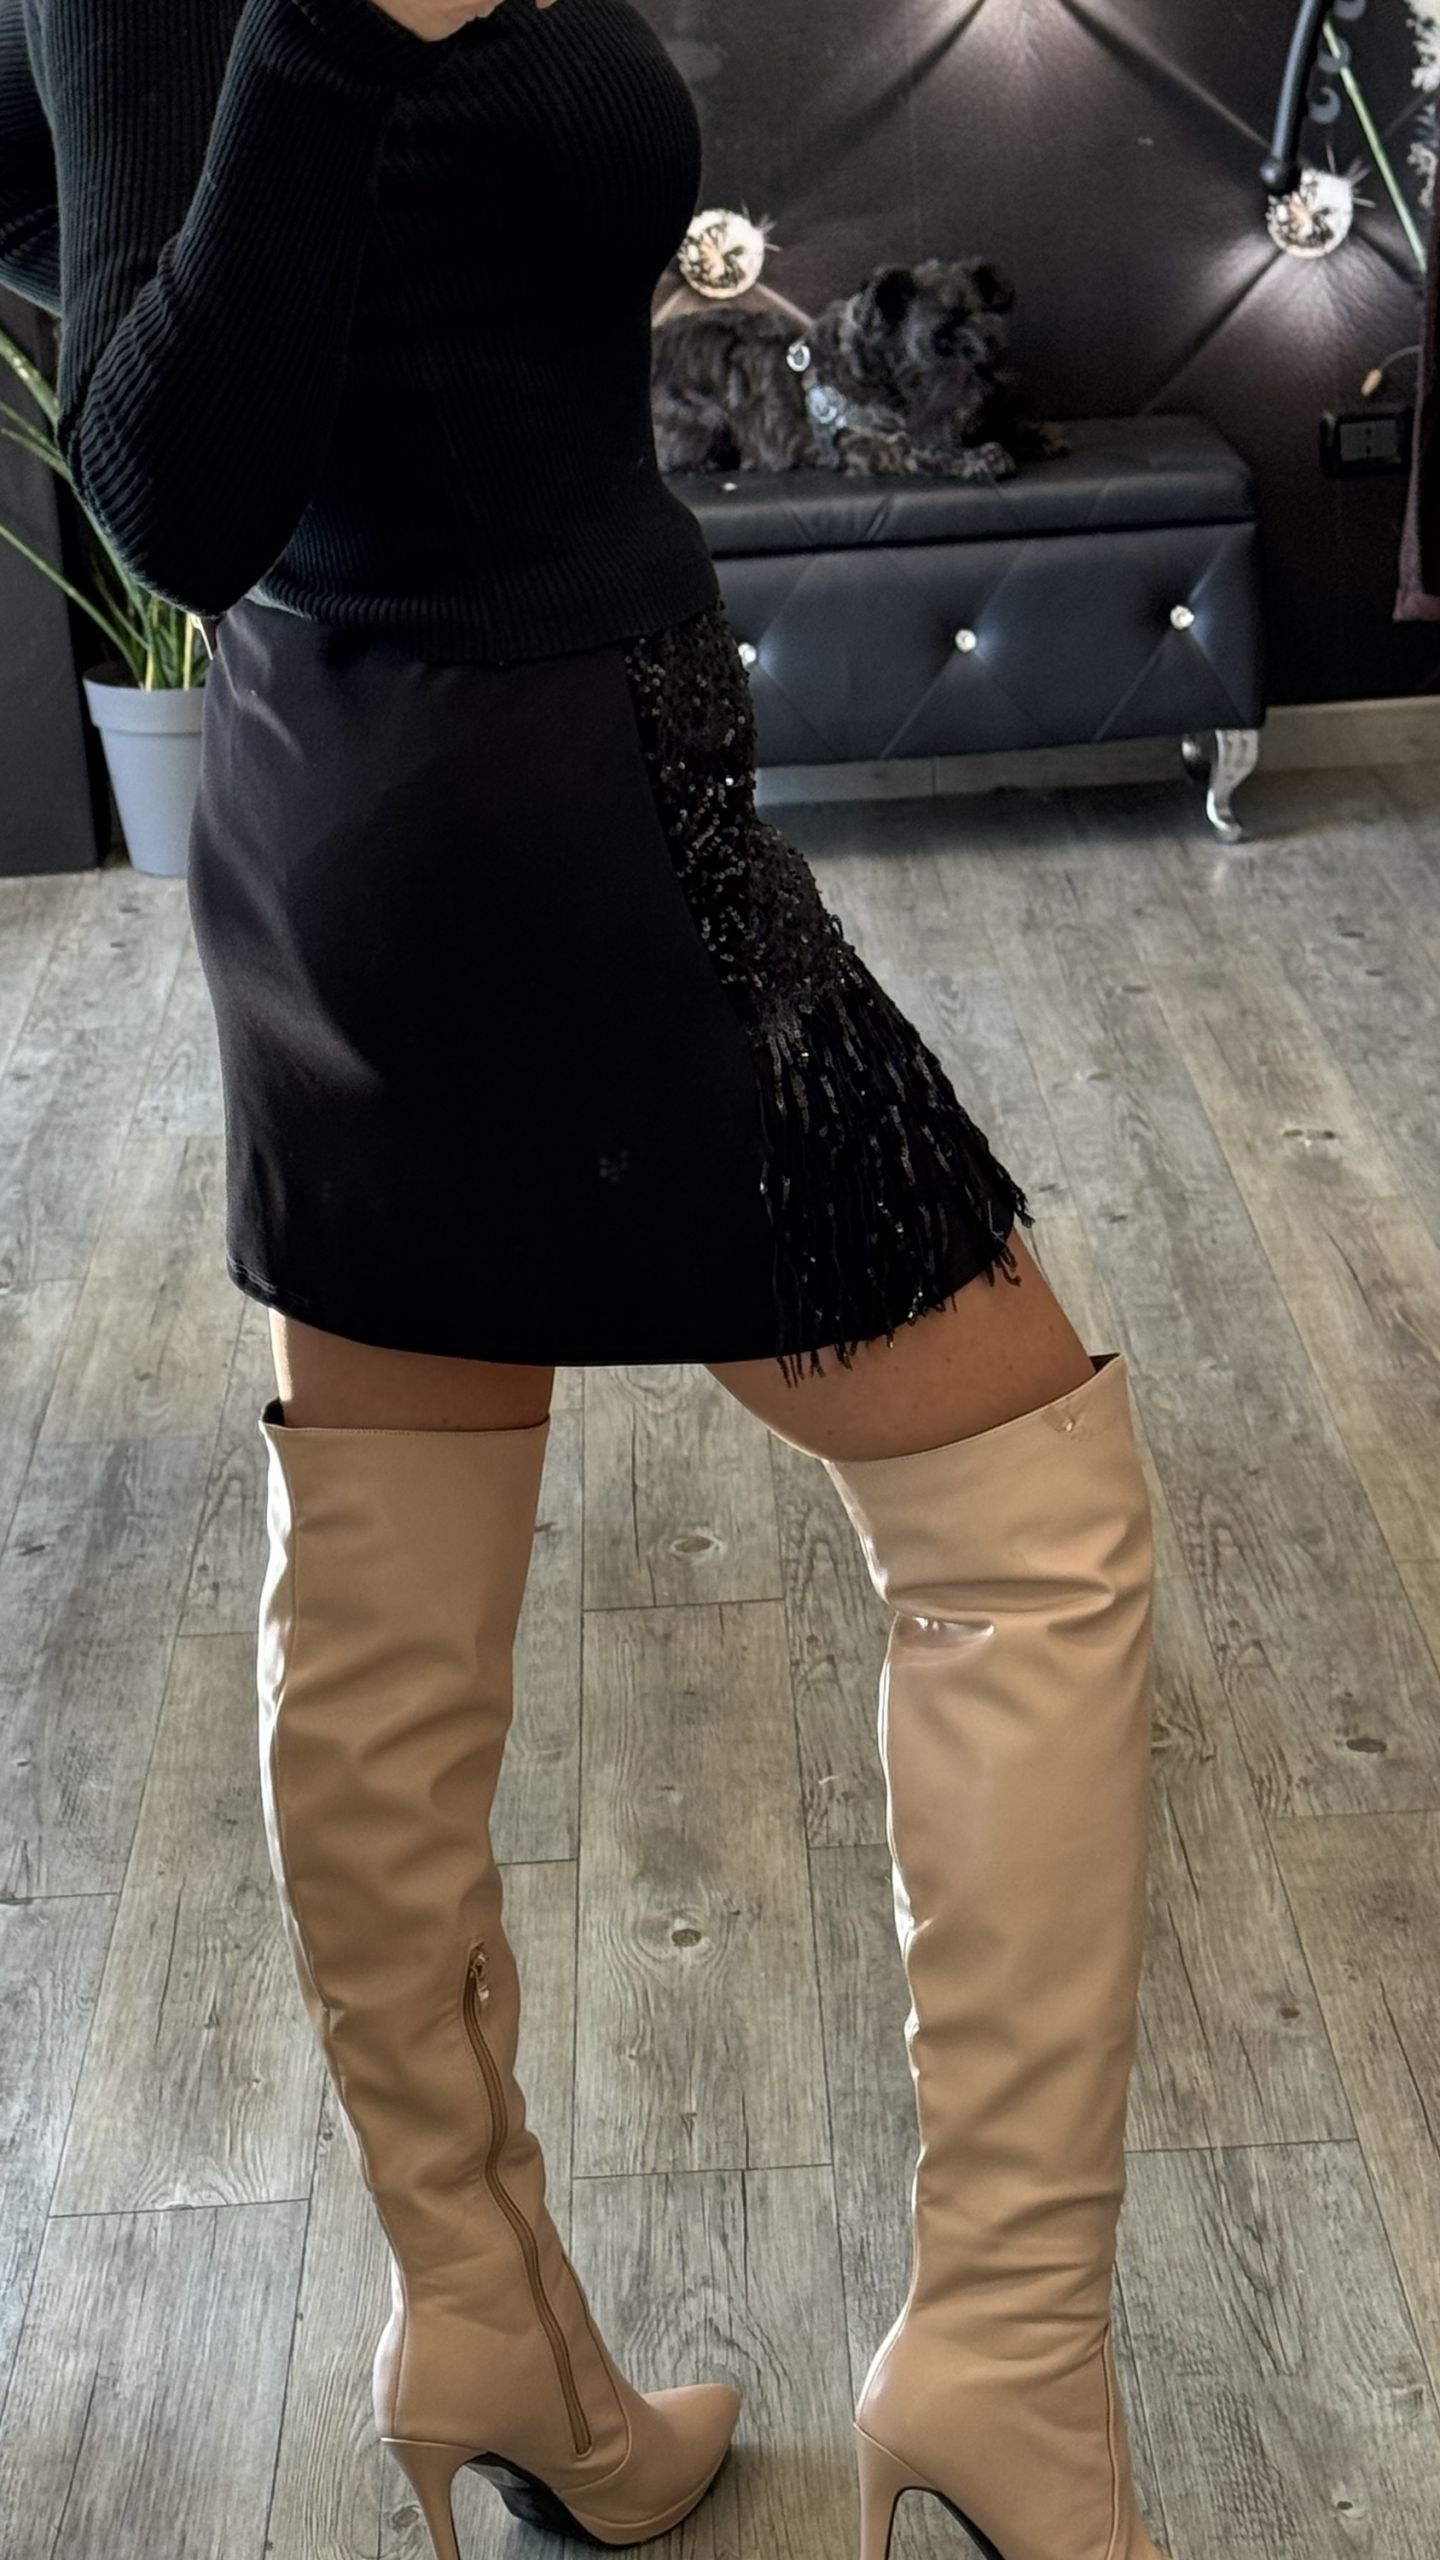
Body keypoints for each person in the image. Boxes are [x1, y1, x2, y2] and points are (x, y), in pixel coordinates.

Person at [0, 1, 1168, 2555]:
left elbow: (95, 191)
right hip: (531, 807)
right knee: (1031, 1516)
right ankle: (1003, 2376)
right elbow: (167, 494)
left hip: (378, 801)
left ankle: (490, 2329)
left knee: (389, 1607)